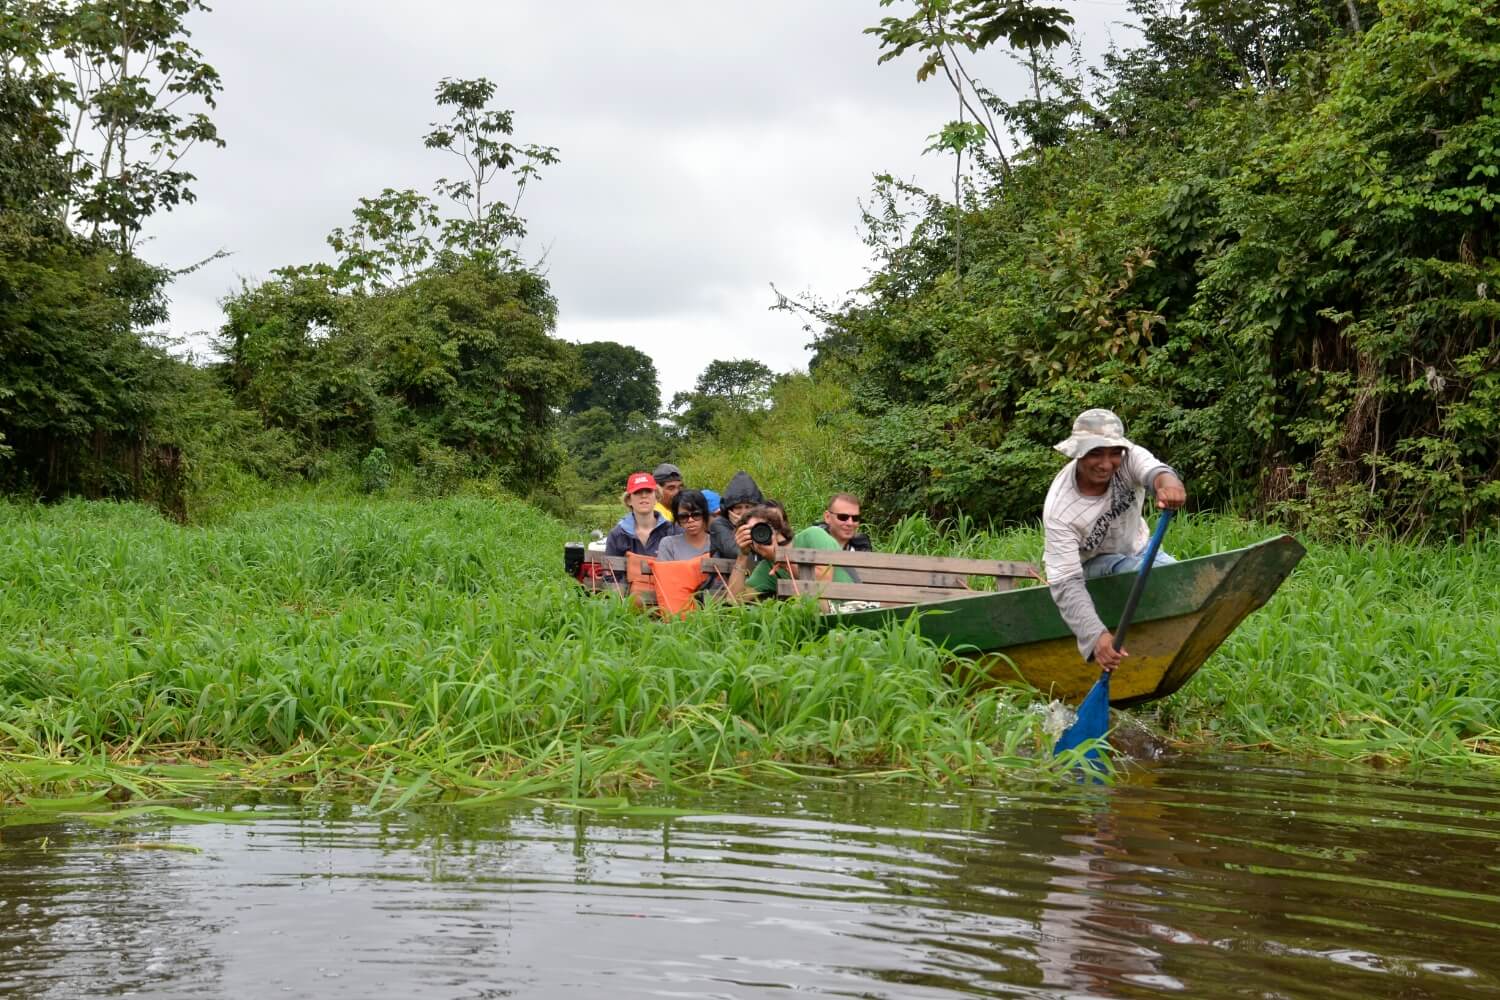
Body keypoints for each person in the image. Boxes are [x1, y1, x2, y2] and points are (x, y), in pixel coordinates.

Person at [1043, 408, 1187, 671]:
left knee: (1180, 579)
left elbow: (1157, 472)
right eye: (1095, 453)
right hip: (1091, 568)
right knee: (1138, 571)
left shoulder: (1129, 457)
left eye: (1113, 453)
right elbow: (1066, 583)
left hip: (1141, 550)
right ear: (1078, 452)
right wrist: (1096, 637)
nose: (1106, 463)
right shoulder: (1060, 508)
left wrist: (1170, 485)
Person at [605, 472, 677, 559]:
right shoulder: (616, 535)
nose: (643, 496)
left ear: (656, 497)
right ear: (628, 500)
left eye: (648, 491)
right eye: (637, 492)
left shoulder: (672, 530)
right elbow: (609, 571)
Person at [709, 471, 764, 559]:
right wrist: (741, 525)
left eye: (748, 507)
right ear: (730, 509)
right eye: (738, 507)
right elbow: (734, 553)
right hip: (728, 571)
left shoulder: (761, 523)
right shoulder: (718, 524)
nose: (744, 512)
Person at [657, 489, 714, 562]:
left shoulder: (718, 543)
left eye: (696, 515)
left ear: (704, 515)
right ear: (678, 519)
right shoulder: (669, 544)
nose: (690, 520)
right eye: (684, 517)